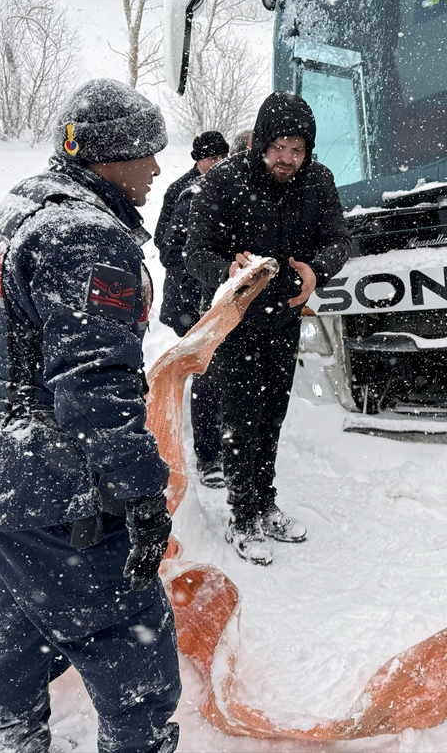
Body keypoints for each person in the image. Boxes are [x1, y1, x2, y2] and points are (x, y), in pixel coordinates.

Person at [0, 78, 181, 753]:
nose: (157, 169)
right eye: (147, 153)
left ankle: (13, 738)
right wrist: (144, 490)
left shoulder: (26, 205)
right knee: (131, 645)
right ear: (109, 156)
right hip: (62, 491)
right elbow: (95, 387)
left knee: (23, 623)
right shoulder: (85, 237)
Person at [184, 92, 349, 565]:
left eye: (297, 150)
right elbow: (194, 252)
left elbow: (339, 238)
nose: (287, 159)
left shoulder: (317, 181)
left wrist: (319, 269)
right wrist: (227, 270)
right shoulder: (225, 181)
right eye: (279, 147)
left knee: (273, 414)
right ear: (260, 143)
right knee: (240, 419)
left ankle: (264, 502)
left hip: (283, 321)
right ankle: (241, 514)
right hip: (234, 324)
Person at [155, 131, 232, 488]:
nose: (215, 164)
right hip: (190, 300)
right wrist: (201, 262)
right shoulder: (182, 192)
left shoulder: (230, 188)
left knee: (218, 370)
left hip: (218, 296)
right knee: (206, 372)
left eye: (221, 157)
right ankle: (208, 455)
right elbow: (165, 244)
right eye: (209, 158)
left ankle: (222, 443)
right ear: (196, 159)